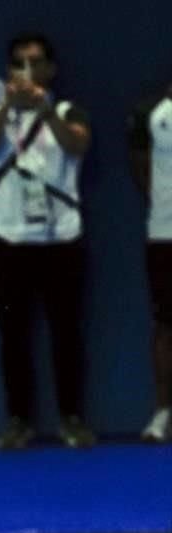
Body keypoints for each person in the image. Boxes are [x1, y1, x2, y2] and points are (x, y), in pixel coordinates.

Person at [0, 33, 96, 449]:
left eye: (35, 61)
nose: (27, 69)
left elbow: (77, 143)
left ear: (49, 69)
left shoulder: (65, 110)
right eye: (18, 63)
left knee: (66, 333)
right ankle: (18, 421)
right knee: (14, 335)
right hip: (10, 238)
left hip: (61, 237)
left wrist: (42, 107)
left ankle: (72, 419)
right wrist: (8, 107)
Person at [128, 81, 172, 443]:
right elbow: (142, 173)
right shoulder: (152, 112)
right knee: (166, 324)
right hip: (165, 233)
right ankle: (163, 412)